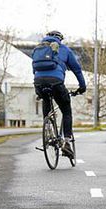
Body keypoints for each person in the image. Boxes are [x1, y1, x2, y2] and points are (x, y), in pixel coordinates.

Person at [32, 30, 86, 158]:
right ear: (59, 39)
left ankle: (48, 132)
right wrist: (82, 87)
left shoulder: (38, 50)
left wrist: (39, 88)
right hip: (56, 82)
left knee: (46, 100)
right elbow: (77, 69)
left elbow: (34, 69)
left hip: (39, 82)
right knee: (66, 110)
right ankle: (66, 143)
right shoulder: (64, 49)